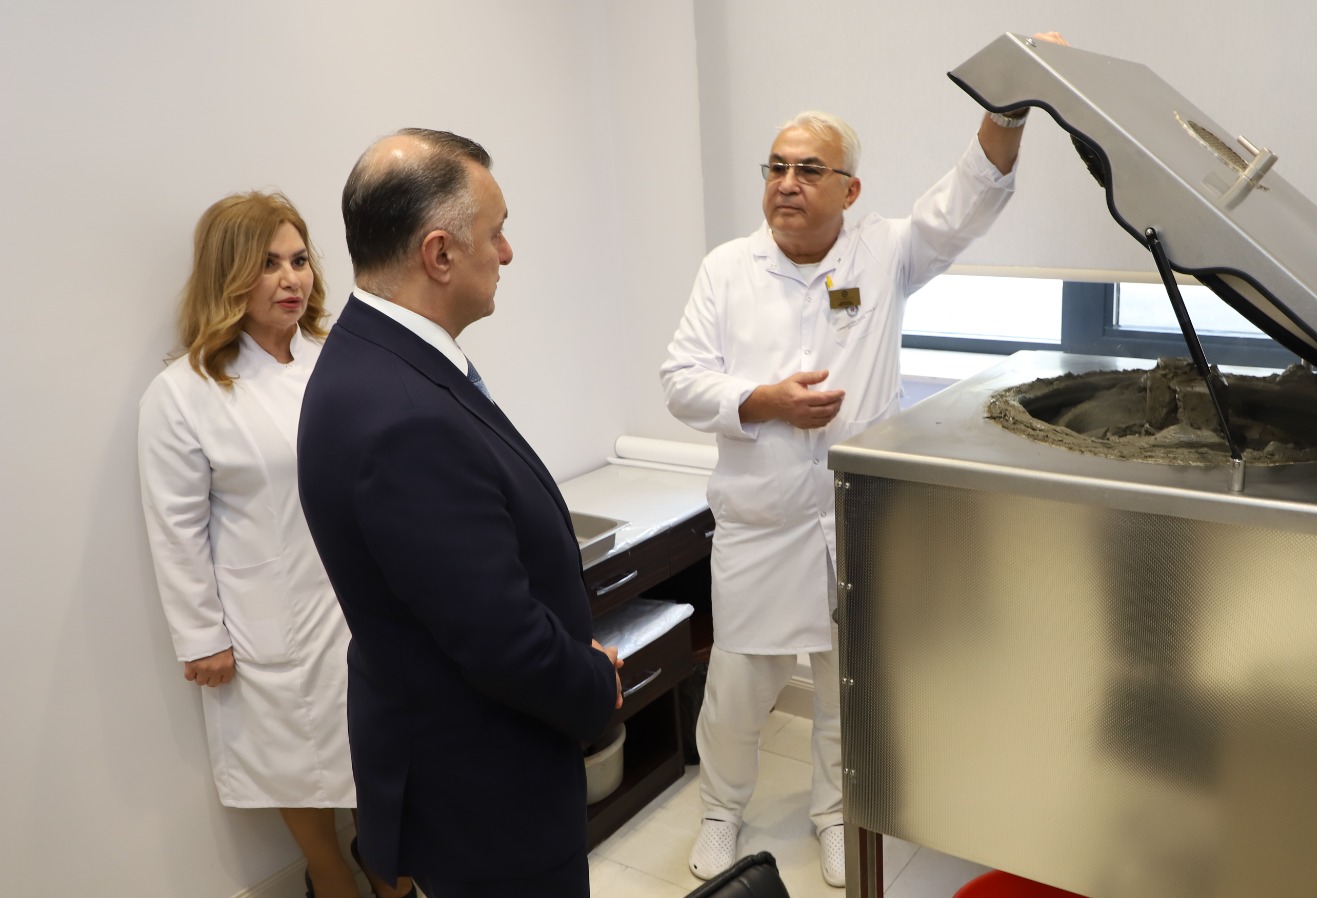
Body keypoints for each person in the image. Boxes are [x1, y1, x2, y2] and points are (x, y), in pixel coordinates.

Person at [659, 31, 1065, 889]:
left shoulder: (883, 252)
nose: (787, 183)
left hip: (853, 520)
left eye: (809, 170)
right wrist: (764, 400)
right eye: (776, 168)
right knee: (737, 689)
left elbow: (966, 200)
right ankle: (722, 811)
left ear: (849, 190)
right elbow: (681, 382)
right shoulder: (726, 270)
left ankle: (837, 813)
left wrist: (1007, 108)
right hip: (763, 522)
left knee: (848, 688)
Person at [297, 128, 624, 898]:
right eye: (496, 232)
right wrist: (592, 683)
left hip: (448, 746)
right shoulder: (404, 415)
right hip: (485, 785)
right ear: (439, 254)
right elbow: (498, 638)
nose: (507, 252)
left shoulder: (373, 357)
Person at [137, 192, 413, 898]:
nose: (291, 280)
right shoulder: (183, 392)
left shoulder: (337, 361)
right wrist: (200, 635)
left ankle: (389, 871)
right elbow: (175, 525)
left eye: (298, 260)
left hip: (363, 597)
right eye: (267, 264)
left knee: (380, 746)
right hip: (270, 608)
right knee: (297, 755)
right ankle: (329, 876)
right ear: (228, 274)